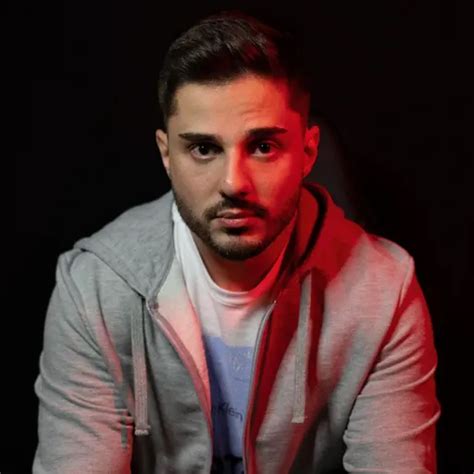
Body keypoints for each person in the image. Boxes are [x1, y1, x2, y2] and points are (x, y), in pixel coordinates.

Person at [33, 10, 441, 473]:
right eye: (204, 149)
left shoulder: (383, 293)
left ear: (308, 152)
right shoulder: (94, 288)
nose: (234, 183)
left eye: (263, 147)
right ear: (167, 154)